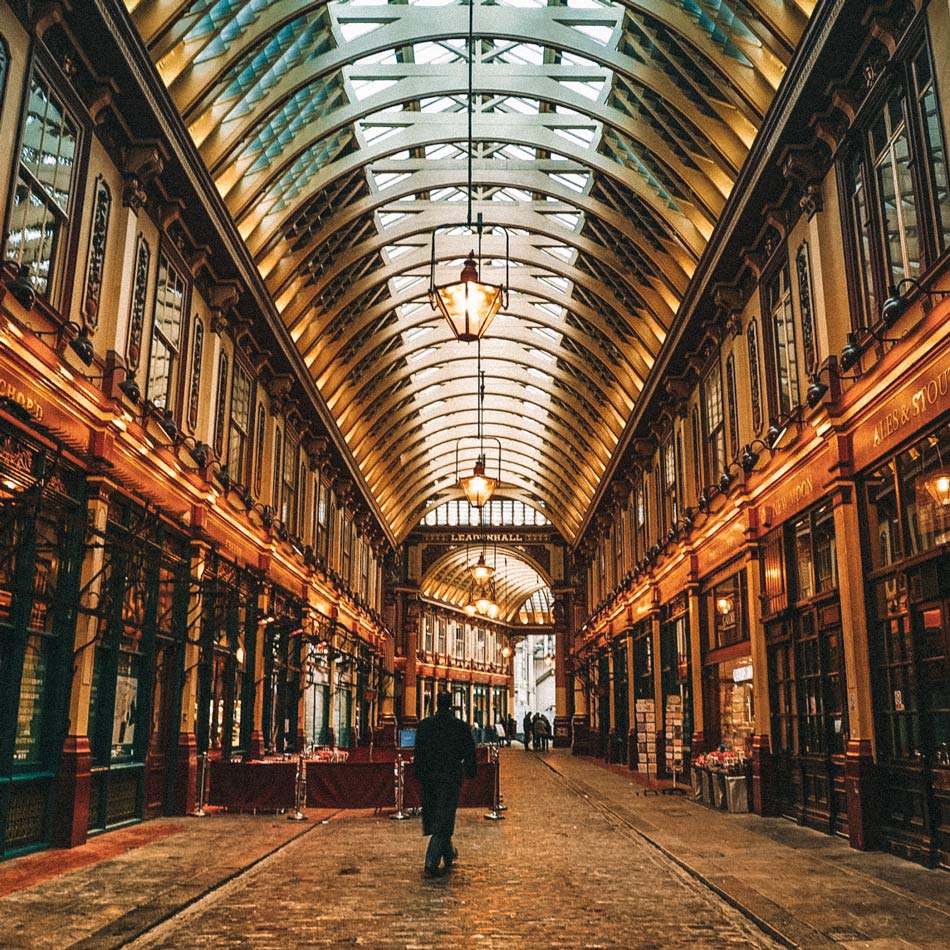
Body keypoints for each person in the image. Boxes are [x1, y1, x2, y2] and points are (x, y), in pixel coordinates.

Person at [414, 691, 477, 878]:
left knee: (438, 814)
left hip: (429, 778)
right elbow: (469, 752)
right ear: (451, 704)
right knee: (444, 816)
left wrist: (418, 774)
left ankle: (448, 854)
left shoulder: (425, 726)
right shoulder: (460, 727)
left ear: (436, 703)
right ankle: (431, 861)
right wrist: (471, 771)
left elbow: (419, 752)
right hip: (450, 777)